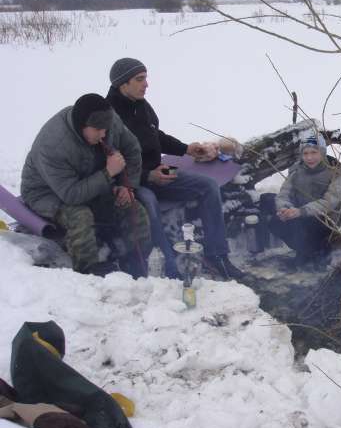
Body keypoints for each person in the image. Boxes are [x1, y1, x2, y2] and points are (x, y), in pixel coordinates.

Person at [106, 57, 243, 280]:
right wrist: (147, 176)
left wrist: (186, 149)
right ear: (123, 84)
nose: (146, 84)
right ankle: (170, 267)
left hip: (159, 170)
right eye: (140, 79)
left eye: (145, 78)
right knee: (149, 200)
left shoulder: (140, 104)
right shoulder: (110, 117)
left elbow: (155, 136)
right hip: (132, 181)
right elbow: (109, 161)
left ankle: (218, 255)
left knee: (207, 185)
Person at [21, 94, 151, 277]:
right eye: (98, 130)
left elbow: (132, 148)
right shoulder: (53, 145)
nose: (104, 134)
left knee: (133, 208)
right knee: (80, 215)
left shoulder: (108, 121)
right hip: (46, 192)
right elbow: (71, 194)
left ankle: (135, 260)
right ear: (82, 126)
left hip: (91, 179)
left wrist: (126, 186)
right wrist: (108, 173)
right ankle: (88, 274)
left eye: (106, 129)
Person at [259, 133, 341, 269]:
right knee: (275, 221)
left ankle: (319, 250)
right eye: (305, 153)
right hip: (300, 211)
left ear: (322, 152)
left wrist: (301, 211)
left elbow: (330, 201)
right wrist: (284, 208)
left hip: (327, 215)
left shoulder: (335, 170)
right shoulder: (297, 168)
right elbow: (285, 193)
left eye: (314, 152)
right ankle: (306, 250)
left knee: (306, 228)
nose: (309, 157)